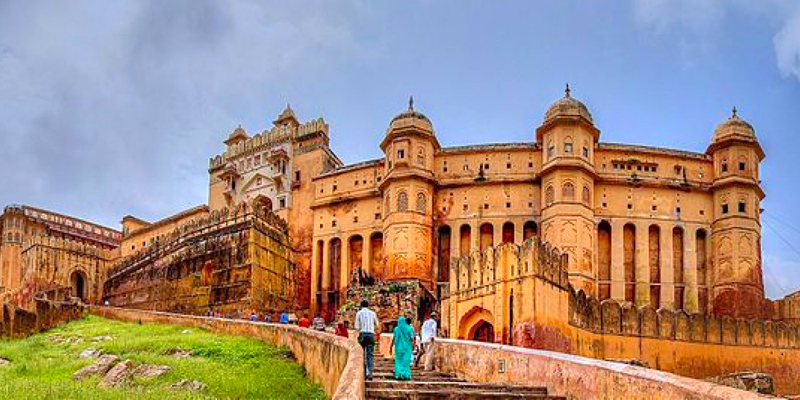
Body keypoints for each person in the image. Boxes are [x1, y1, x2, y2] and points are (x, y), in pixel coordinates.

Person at [355, 299, 380, 379]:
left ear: (361, 305)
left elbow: (357, 327)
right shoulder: (373, 313)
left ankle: (363, 372)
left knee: (361, 354)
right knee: (370, 355)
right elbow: (377, 324)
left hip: (363, 334)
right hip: (371, 334)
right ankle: (370, 372)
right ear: (368, 305)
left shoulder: (359, 313)